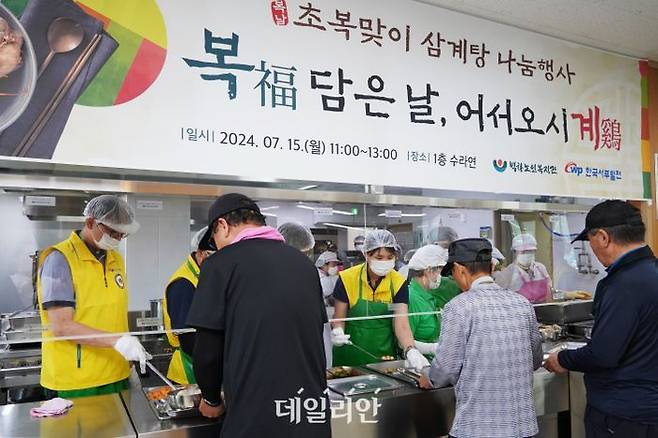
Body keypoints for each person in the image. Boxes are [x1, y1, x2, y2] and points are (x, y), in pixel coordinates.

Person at [187, 193, 330, 438]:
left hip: (255, 416)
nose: (216, 247)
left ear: (222, 225)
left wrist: (211, 399)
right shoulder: (304, 265)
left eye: (214, 240)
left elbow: (208, 351)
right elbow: (315, 332)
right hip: (308, 411)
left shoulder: (219, 265)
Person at [544, 200, 658, 438]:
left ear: (603, 237)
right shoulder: (651, 273)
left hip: (623, 415)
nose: (593, 250)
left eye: (591, 240)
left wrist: (562, 358)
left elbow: (603, 354)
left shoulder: (621, 285)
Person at [420, 238, 543, 438]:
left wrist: (428, 376)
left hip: (478, 428)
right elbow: (536, 360)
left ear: (460, 269)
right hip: (522, 428)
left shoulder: (459, 307)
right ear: (491, 266)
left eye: (452, 273)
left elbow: (445, 371)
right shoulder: (522, 304)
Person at [37, 195, 149, 398]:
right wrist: (119, 342)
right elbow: (61, 326)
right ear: (89, 222)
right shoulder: (60, 260)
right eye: (112, 232)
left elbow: (112, 312)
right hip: (76, 381)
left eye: (121, 234)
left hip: (117, 373)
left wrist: (128, 360)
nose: (116, 239)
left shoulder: (116, 259)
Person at [331, 230, 429, 370]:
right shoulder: (347, 278)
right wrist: (338, 331)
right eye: (379, 257)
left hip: (383, 359)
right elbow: (339, 318)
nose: (385, 262)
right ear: (366, 254)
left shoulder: (398, 282)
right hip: (349, 356)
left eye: (389, 257)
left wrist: (410, 349)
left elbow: (401, 324)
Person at [162, 227, 214, 385]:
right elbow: (188, 339)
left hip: (207, 365)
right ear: (200, 253)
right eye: (212, 257)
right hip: (189, 371)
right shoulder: (183, 284)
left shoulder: (204, 276)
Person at [406, 245, 448, 359]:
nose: (440, 277)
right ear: (429, 271)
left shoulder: (427, 296)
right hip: (418, 363)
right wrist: (433, 348)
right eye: (439, 272)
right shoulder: (412, 298)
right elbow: (403, 342)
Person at [494, 233, 552, 303]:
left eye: (530, 251)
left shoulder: (541, 268)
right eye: (523, 252)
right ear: (515, 252)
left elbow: (550, 291)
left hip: (545, 311)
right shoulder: (508, 272)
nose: (527, 254)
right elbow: (500, 300)